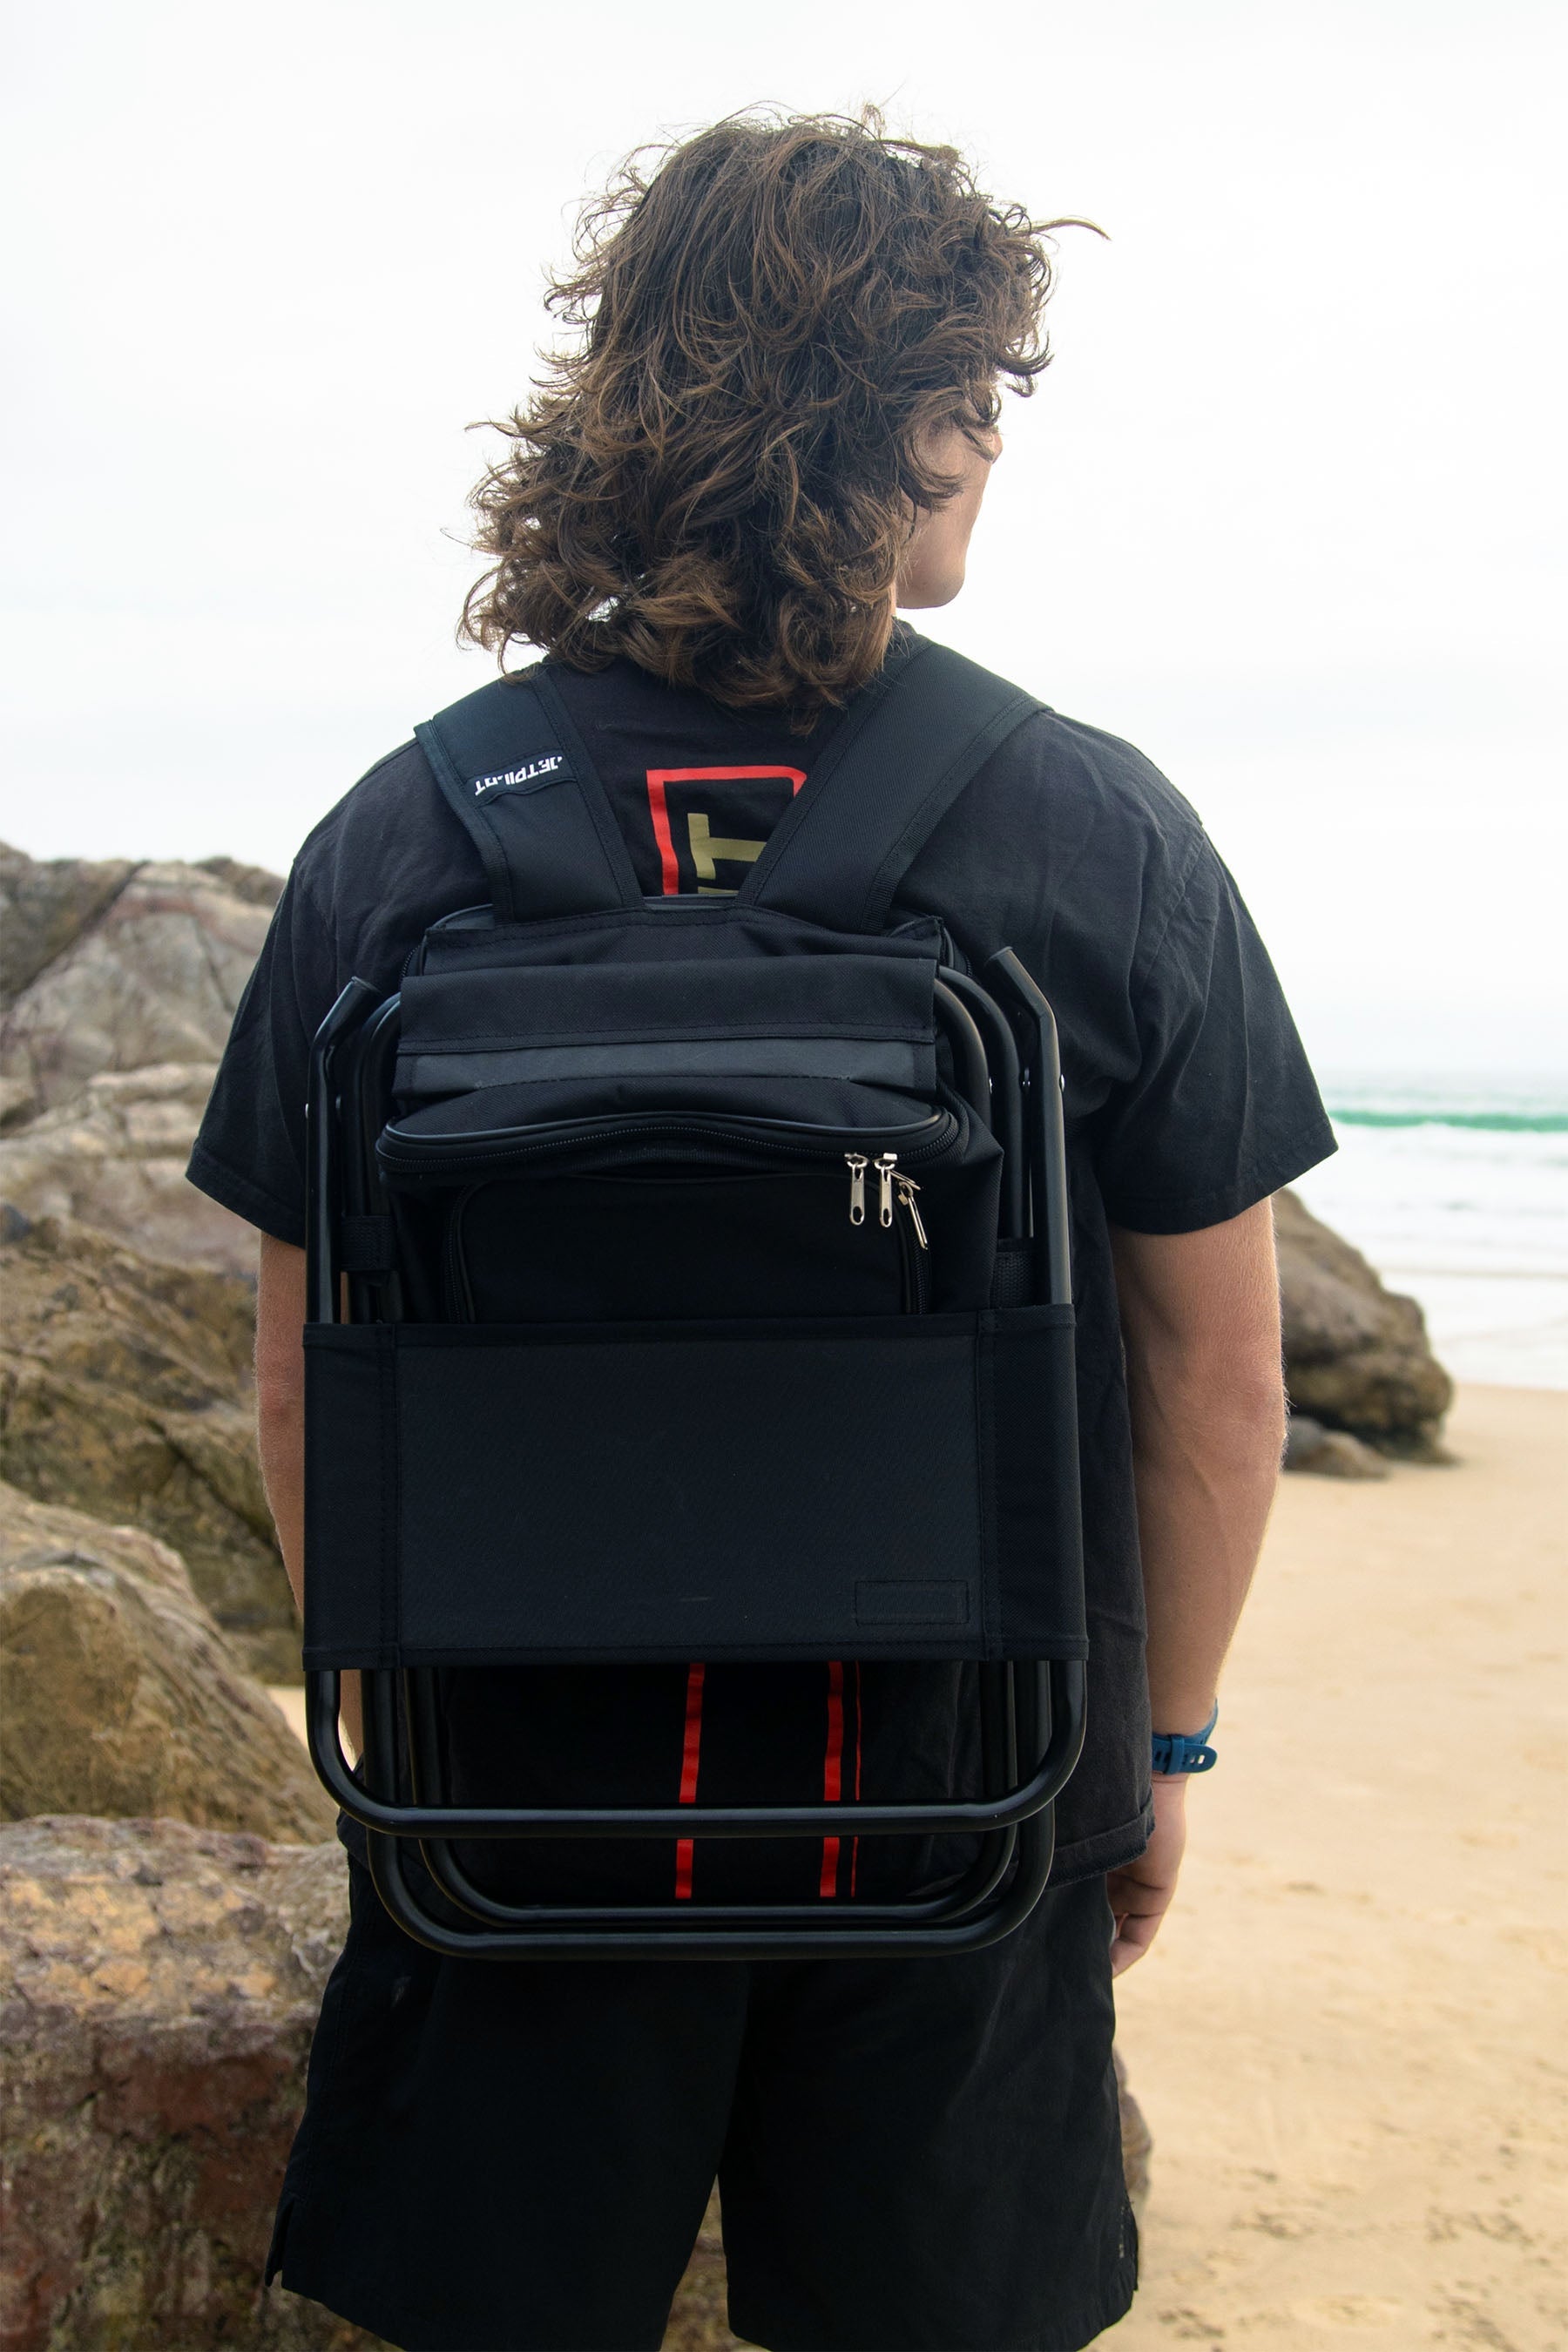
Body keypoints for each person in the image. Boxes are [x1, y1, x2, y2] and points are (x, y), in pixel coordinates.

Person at [189, 108, 1334, 2352]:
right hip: (956, 1797)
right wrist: (1156, 1754)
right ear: (858, 423)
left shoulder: (411, 829)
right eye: (964, 395)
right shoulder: (1094, 829)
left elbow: (305, 1373)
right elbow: (1220, 1380)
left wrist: (394, 1720)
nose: (989, 450)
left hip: (523, 1803)